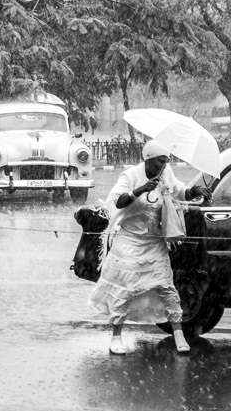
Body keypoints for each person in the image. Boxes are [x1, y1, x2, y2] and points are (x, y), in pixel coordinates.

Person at [89, 140, 211, 355]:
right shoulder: (131, 175)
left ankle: (178, 334)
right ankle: (116, 335)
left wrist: (194, 191)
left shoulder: (166, 174)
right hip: (129, 242)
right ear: (149, 159)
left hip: (155, 242)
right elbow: (118, 202)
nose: (163, 166)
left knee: (166, 286)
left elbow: (179, 191)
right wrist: (140, 190)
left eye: (166, 161)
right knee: (125, 289)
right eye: (160, 161)